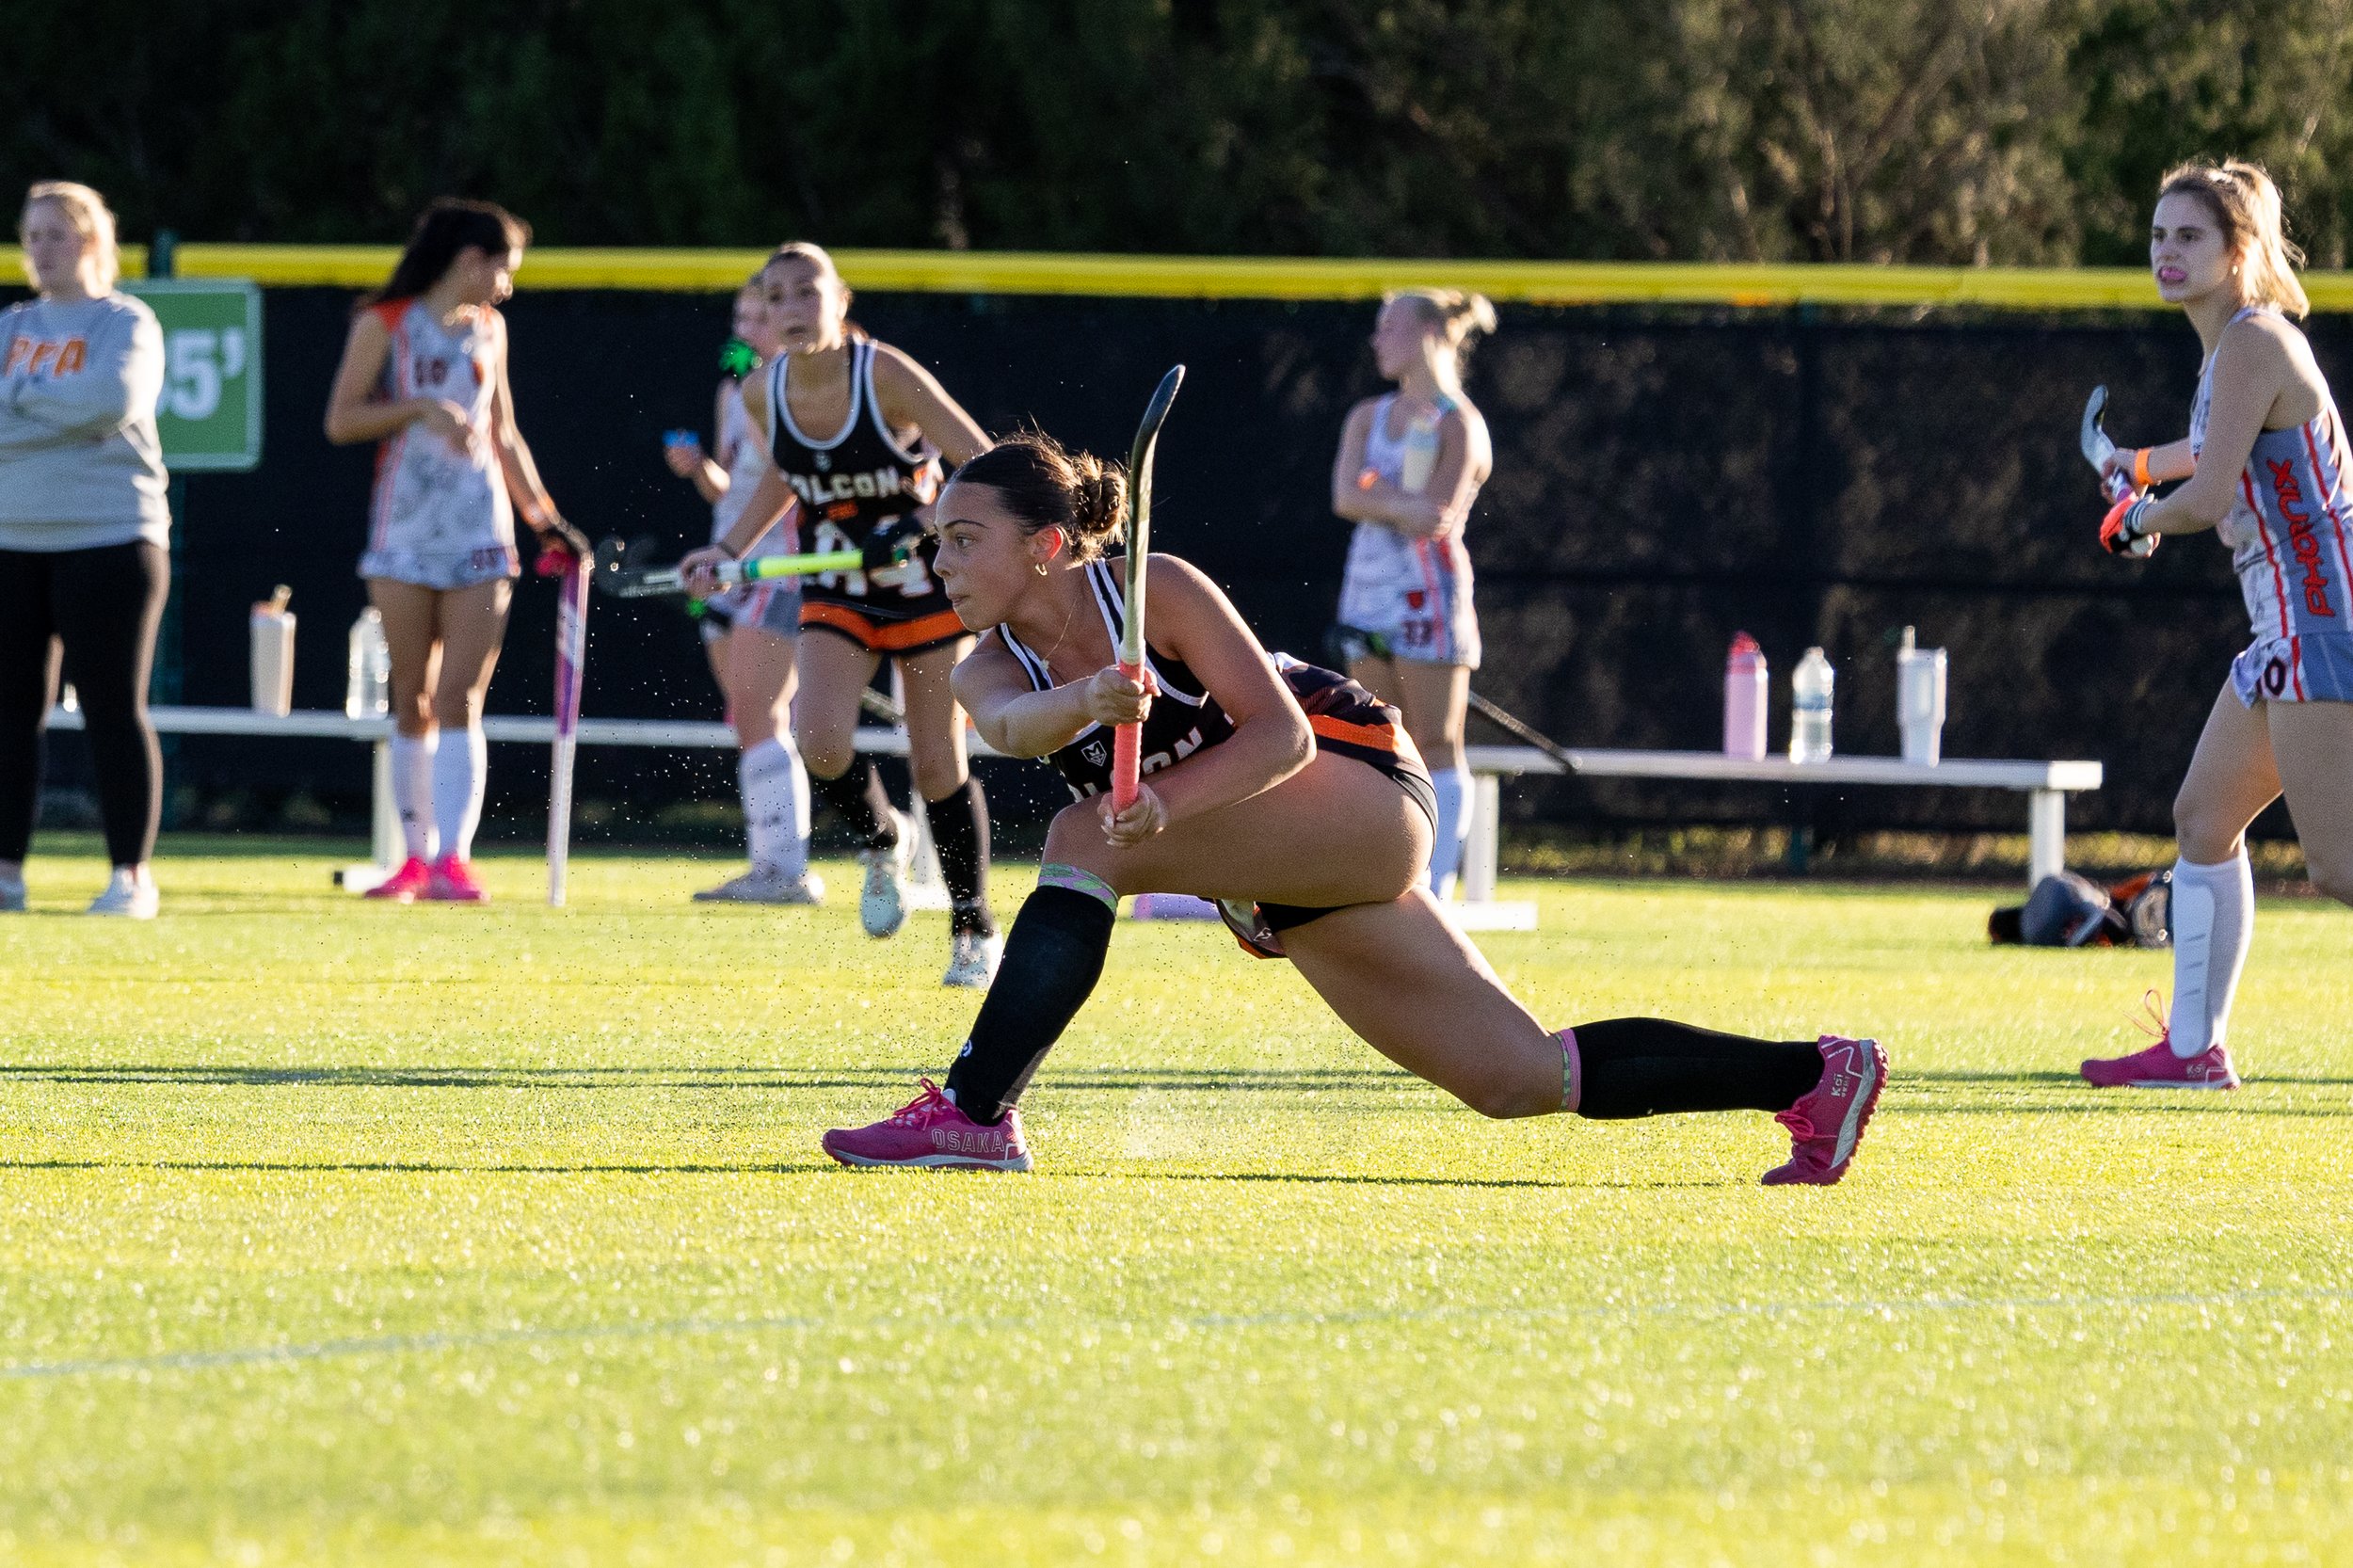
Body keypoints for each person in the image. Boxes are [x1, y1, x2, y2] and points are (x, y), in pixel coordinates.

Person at [820, 432, 1886, 1184]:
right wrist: (1092, 702)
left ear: (1044, 545)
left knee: (1077, 835)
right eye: (936, 543)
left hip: (1364, 795)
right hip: (1280, 879)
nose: (941, 562)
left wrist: (1167, 800)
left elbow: (1280, 736)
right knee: (1518, 1077)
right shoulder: (982, 666)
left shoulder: (1161, 590)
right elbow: (1010, 729)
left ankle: (974, 1112)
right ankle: (1814, 1075)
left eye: (963, 538)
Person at [2082, 159, 2353, 1090]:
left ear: (2239, 252)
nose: (2165, 251)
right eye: (2157, 235)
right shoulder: (2228, 352)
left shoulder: (2249, 341)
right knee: (2202, 820)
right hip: (2286, 630)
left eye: (2188, 236)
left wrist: (2136, 517)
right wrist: (2135, 463)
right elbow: (2207, 449)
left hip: (2324, 620)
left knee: (2339, 866)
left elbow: (2209, 491)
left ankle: (2195, 1049)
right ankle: (2194, 1052)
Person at [680, 242, 1002, 987]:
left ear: (841, 299)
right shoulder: (761, 390)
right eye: (776, 298)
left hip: (925, 583)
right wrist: (724, 547)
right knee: (818, 739)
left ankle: (972, 927)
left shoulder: (883, 373)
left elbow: (980, 461)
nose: (791, 310)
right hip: (836, 579)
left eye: (806, 293)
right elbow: (787, 482)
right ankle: (881, 841)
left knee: (935, 761)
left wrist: (924, 520)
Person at [325, 198, 584, 904]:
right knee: (412, 695)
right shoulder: (383, 324)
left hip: (479, 529)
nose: (506, 285)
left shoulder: (491, 330)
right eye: (504, 269)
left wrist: (546, 520)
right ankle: (411, 857)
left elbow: (504, 433)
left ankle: (452, 859)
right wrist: (416, 409)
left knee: (461, 694)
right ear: (471, 259)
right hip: (403, 532)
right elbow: (342, 420)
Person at [0, 181, 168, 918]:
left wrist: (19, 399)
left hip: (111, 535)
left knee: (112, 707)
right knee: (10, 710)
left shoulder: (126, 322)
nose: (43, 250)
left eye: (58, 235)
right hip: (12, 539)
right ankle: (6, 871)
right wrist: (58, 412)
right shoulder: (10, 326)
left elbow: (112, 402)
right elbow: (81, 412)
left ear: (93, 242)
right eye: (33, 236)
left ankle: (129, 875)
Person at [1330, 289, 1496, 899]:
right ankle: (1388, 872)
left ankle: (1438, 886)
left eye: (1390, 326)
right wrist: (1399, 503)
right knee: (1377, 736)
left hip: (1428, 594)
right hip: (1367, 591)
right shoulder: (1365, 417)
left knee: (1434, 739)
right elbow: (1346, 496)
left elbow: (1439, 515)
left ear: (1430, 333)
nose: (1377, 340)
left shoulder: (1459, 422)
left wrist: (1388, 502)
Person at [663, 278, 820, 904]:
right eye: (741, 315)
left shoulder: (793, 390)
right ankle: (771, 861)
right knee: (746, 717)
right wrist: (700, 469)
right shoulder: (737, 389)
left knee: (763, 711)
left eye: (762, 315)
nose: (747, 328)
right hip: (725, 568)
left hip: (779, 566)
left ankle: (786, 868)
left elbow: (792, 476)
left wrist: (764, 406)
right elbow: (735, 489)